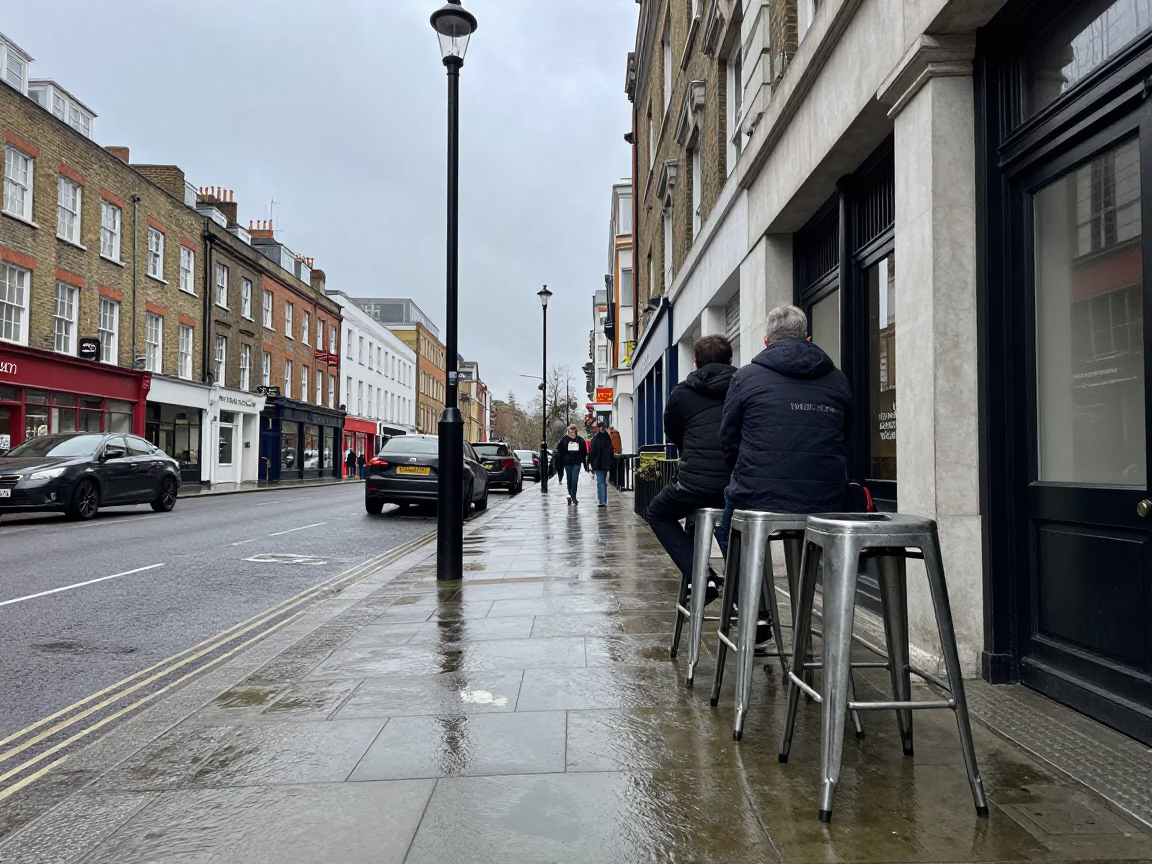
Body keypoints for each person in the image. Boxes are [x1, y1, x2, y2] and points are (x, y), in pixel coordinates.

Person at [719, 303, 852, 542]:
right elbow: (845, 434)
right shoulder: (838, 379)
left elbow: (729, 440)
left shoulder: (744, 378)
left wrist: (747, 471)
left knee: (727, 533)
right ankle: (805, 578)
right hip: (826, 496)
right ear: (808, 339)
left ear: (766, 341)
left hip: (757, 496)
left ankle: (745, 579)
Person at [644, 335, 735, 601]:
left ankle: (702, 579)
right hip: (739, 483)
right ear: (730, 359)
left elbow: (672, 433)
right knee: (729, 521)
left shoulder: (682, 392)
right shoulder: (746, 384)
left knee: (657, 513)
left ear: (695, 363)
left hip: (696, 484)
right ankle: (754, 609)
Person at [553, 424, 589, 505]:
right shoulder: (564, 440)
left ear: (576, 431)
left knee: (574, 479)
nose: (572, 433)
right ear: (568, 431)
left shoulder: (580, 440)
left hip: (576, 462)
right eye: (571, 431)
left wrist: (584, 461)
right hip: (567, 462)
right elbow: (560, 451)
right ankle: (570, 494)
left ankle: (574, 496)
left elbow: (584, 452)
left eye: (574, 431)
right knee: (569, 479)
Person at [588, 421, 615, 507]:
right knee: (602, 481)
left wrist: (590, 463)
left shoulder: (596, 439)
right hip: (604, 463)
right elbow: (611, 451)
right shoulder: (608, 439)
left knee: (600, 482)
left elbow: (592, 452)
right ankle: (602, 500)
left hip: (599, 463)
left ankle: (601, 500)